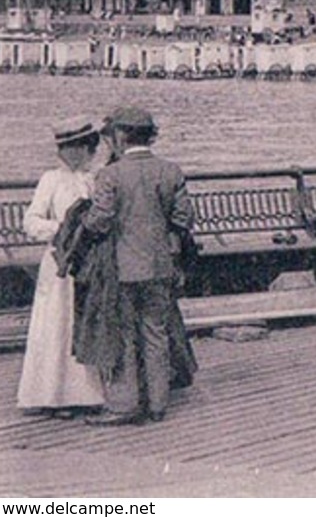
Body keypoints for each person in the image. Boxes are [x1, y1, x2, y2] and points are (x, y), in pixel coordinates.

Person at [81, 107, 195, 426]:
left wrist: (83, 225)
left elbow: (100, 219)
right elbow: (184, 217)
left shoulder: (111, 175)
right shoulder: (171, 170)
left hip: (122, 268)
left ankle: (124, 404)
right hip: (161, 267)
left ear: (119, 136)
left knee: (123, 335)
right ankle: (158, 404)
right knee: (157, 333)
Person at [17, 116, 106, 415]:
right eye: (69, 148)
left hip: (90, 263)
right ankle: (53, 394)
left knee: (86, 323)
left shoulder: (96, 180)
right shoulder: (50, 180)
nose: (75, 154)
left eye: (80, 147)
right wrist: (64, 230)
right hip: (60, 262)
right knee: (57, 324)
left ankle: (88, 394)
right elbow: (31, 221)